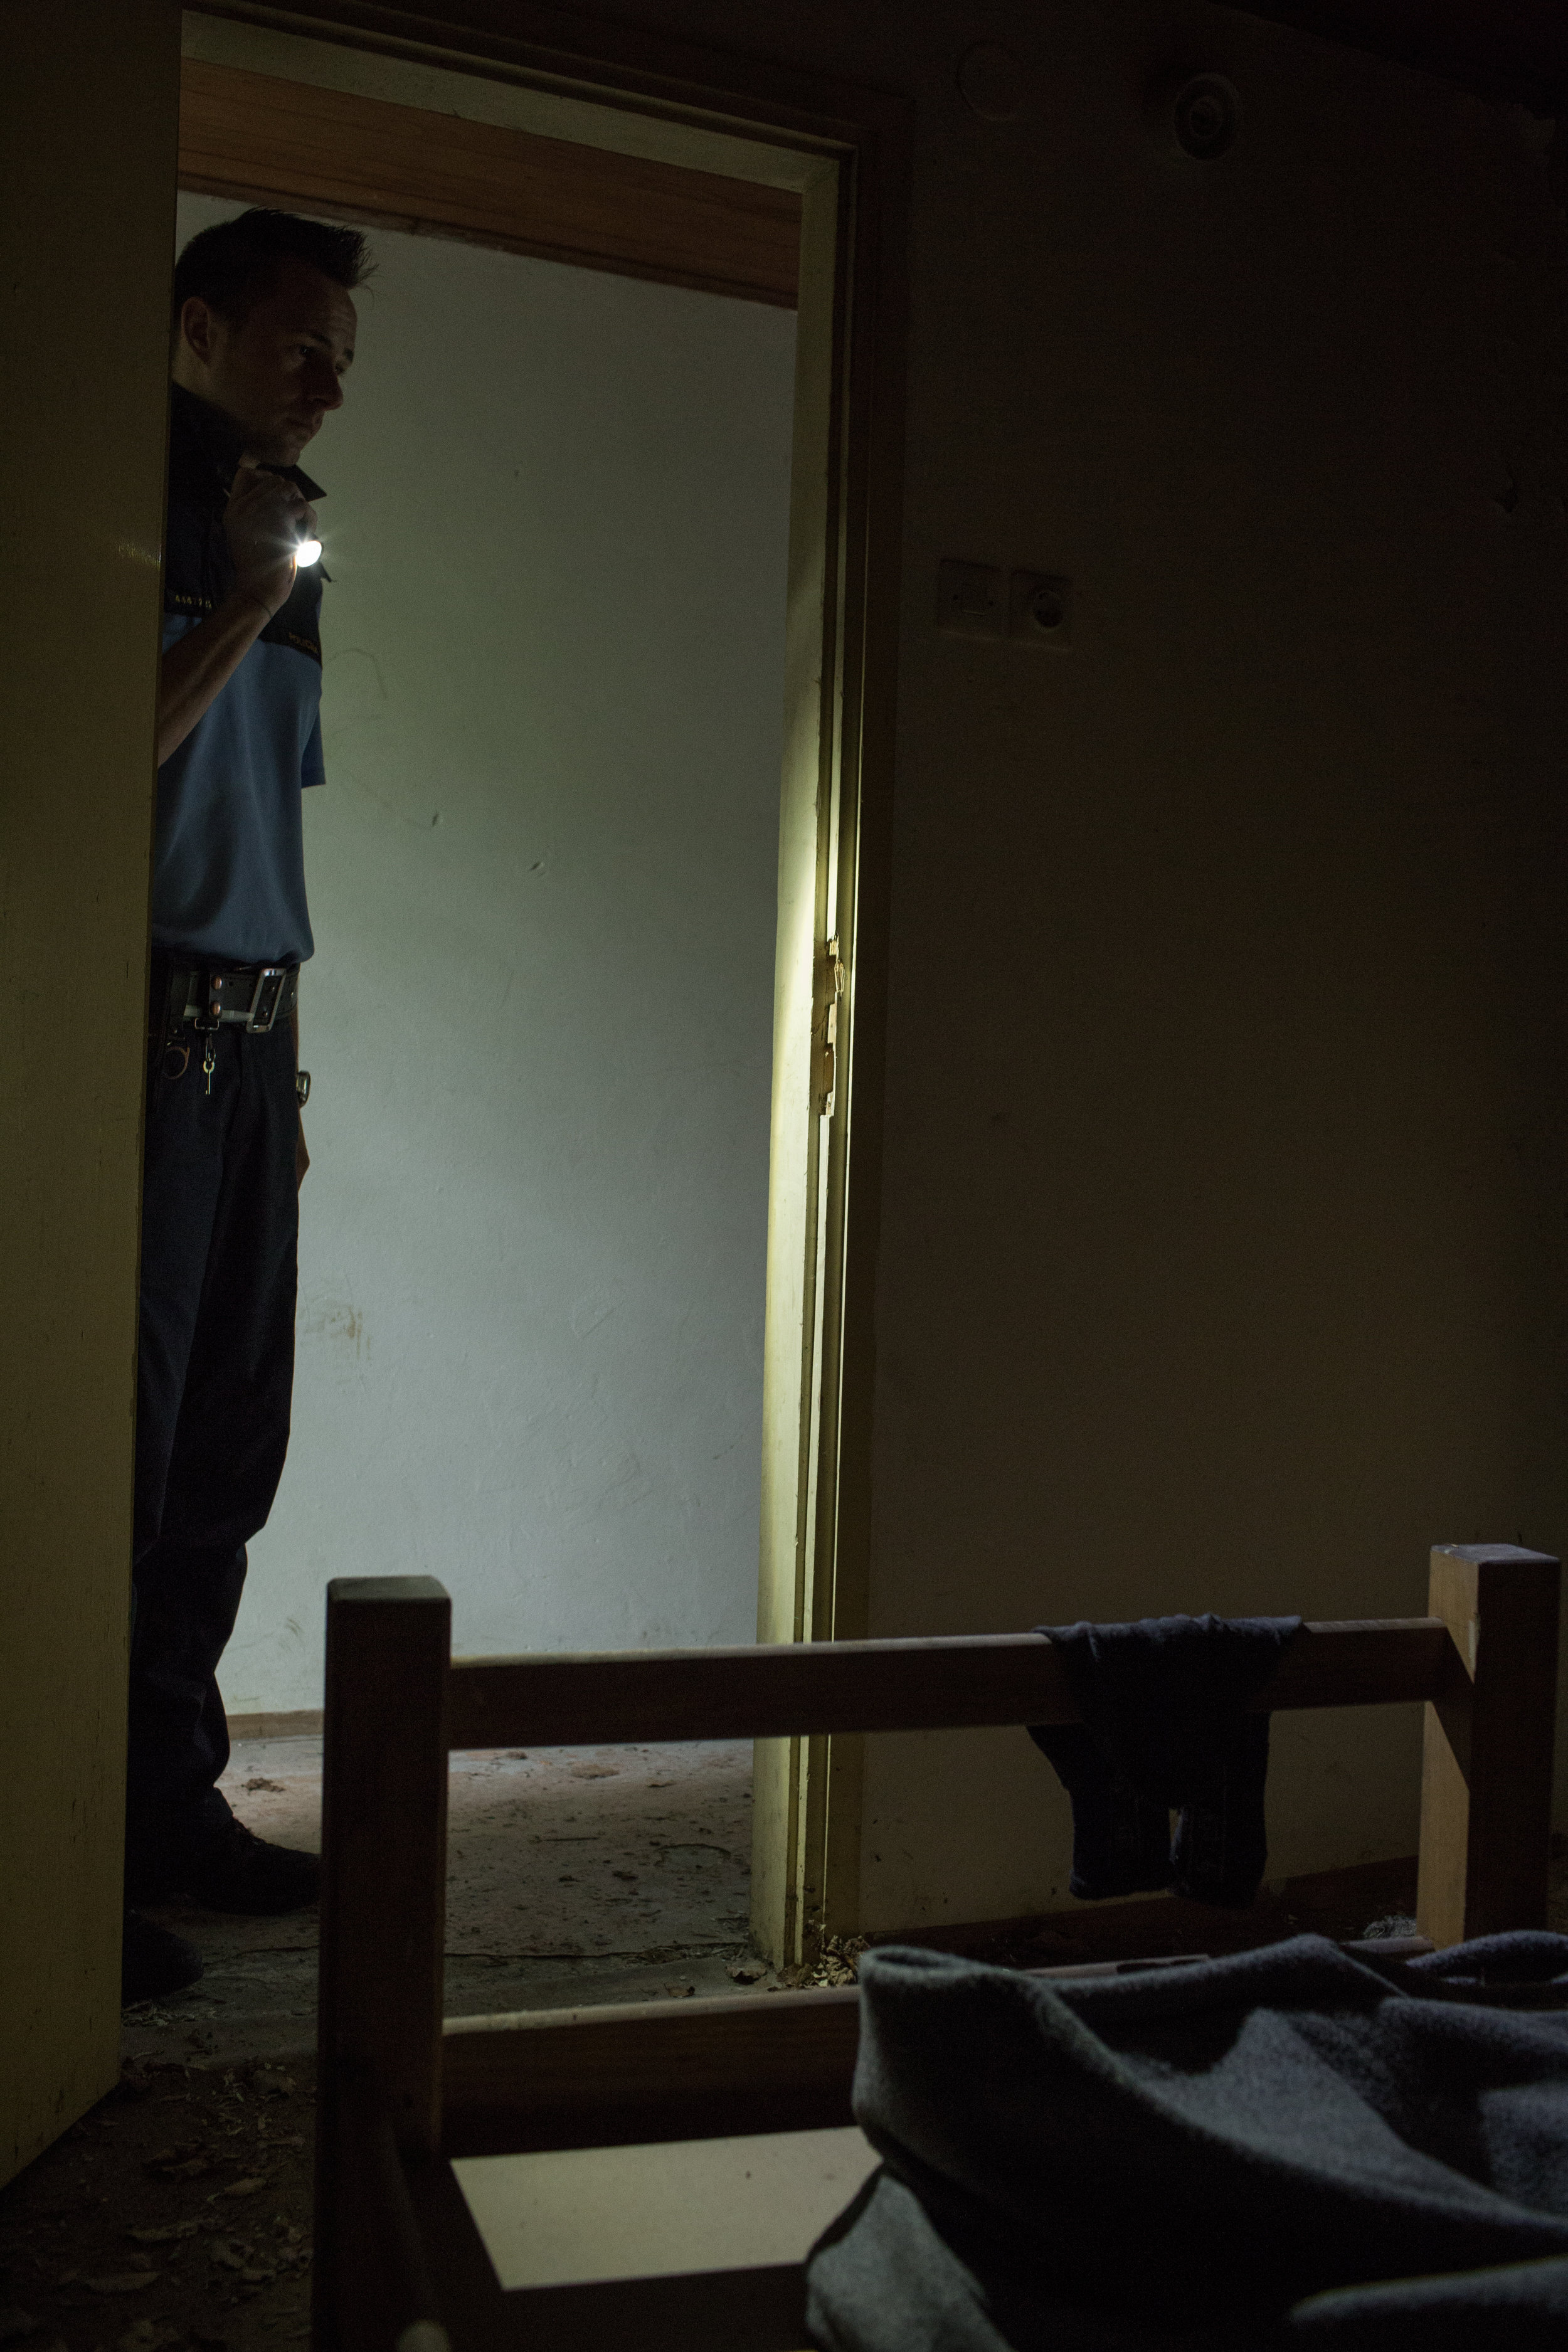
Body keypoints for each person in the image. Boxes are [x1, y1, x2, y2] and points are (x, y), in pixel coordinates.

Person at [124, 209, 372, 2004]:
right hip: (123, 1028)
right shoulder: (119, 492)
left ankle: (165, 1813)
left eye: (344, 352)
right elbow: (87, 750)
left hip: (242, 1034)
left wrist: (286, 1065)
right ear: (199, 324)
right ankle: (61, 1860)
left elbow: (264, 817)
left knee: (225, 1451)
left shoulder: (285, 539)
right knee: (106, 1467)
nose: (330, 376)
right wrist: (242, 601)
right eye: (299, 339)